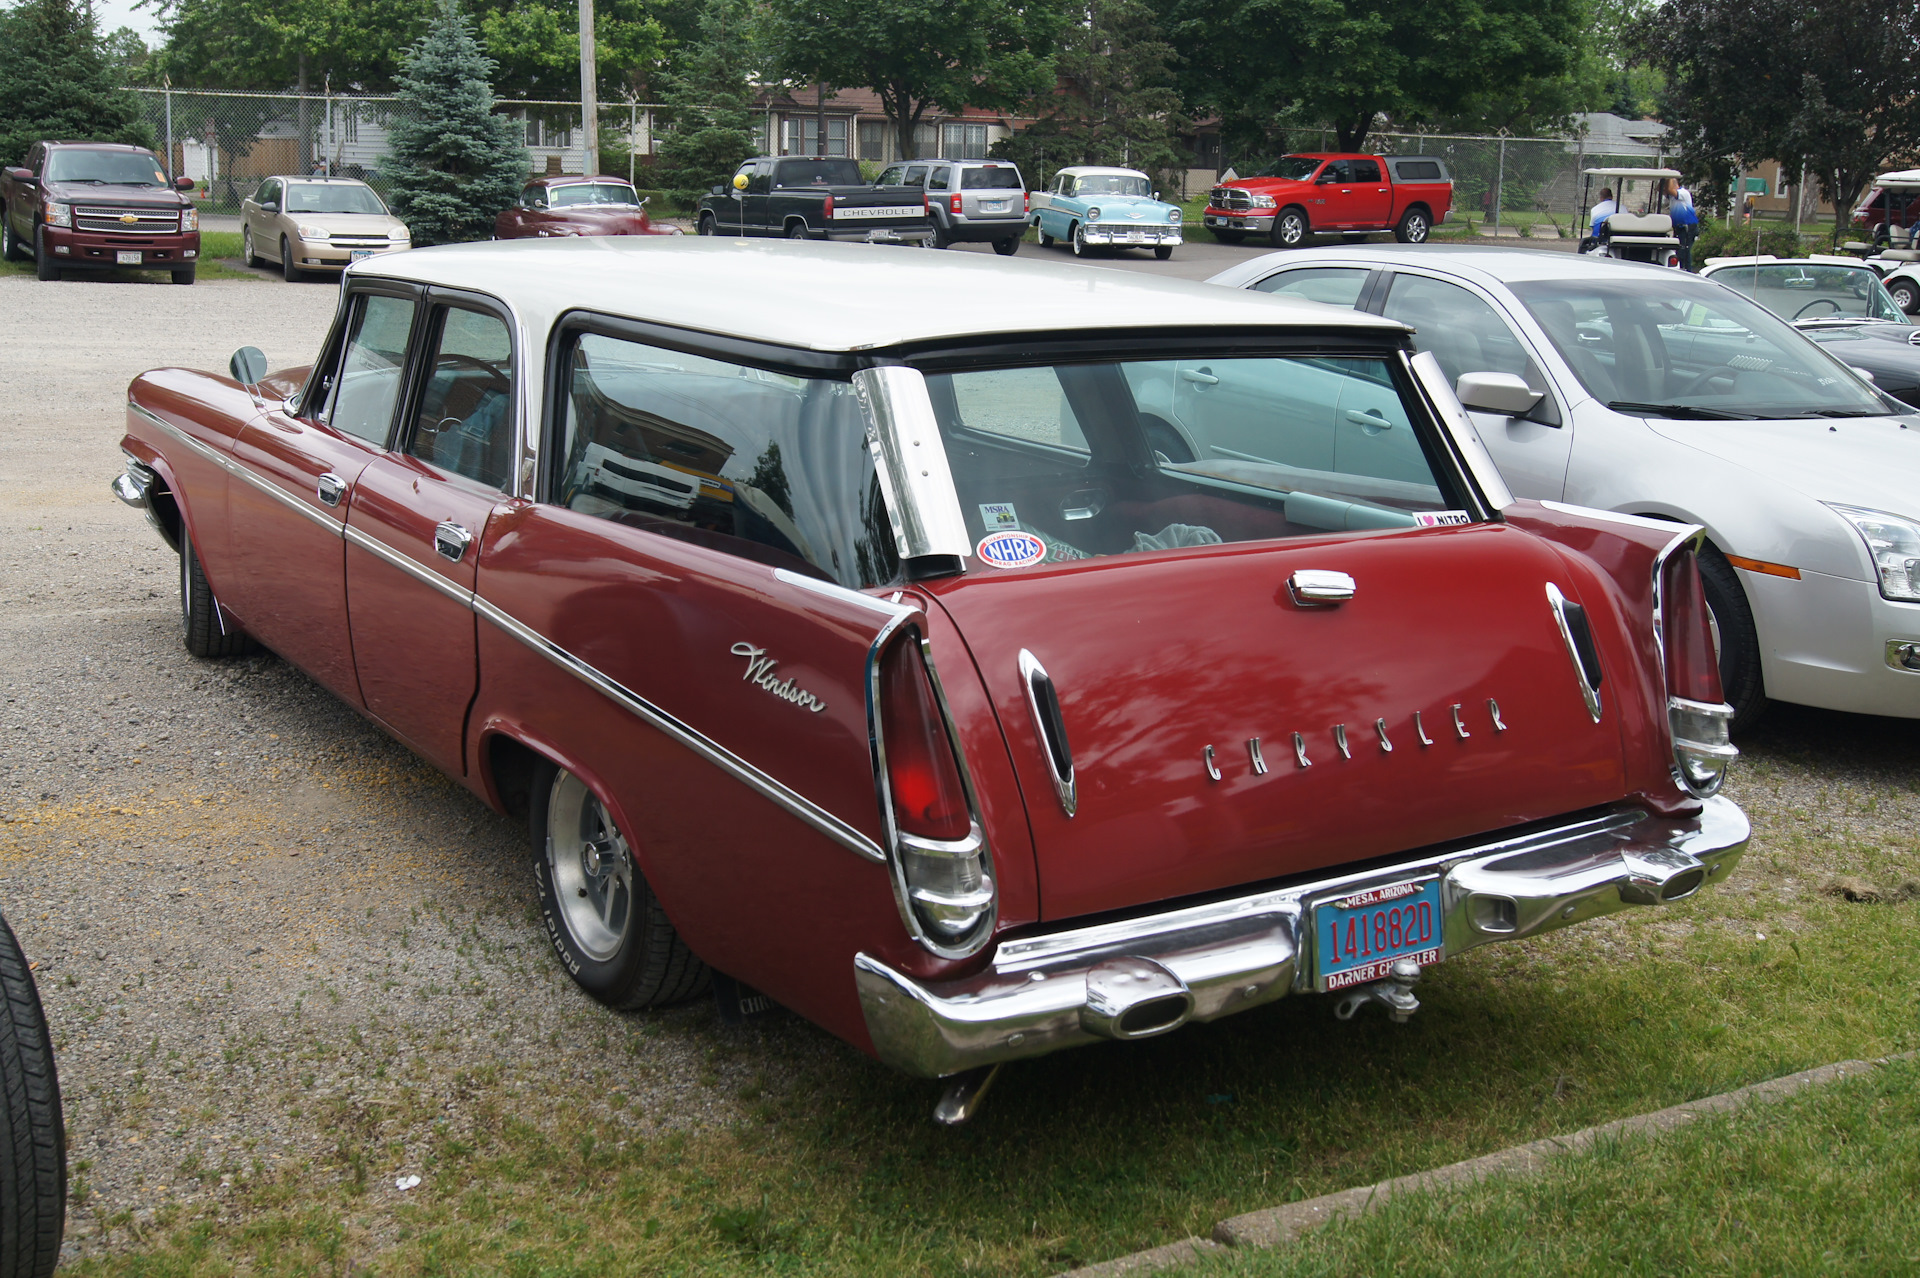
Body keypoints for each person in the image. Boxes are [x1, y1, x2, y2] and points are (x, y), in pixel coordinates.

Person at [1667, 177, 1700, 271]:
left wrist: (1669, 176)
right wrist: (1664, 178)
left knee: (1685, 251)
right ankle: (1681, 268)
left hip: (1688, 226)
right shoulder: (1672, 195)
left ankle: (1688, 271)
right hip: (1679, 227)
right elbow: (1659, 189)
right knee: (1679, 251)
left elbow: (1669, 189)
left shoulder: (1683, 193)